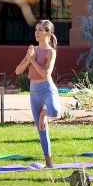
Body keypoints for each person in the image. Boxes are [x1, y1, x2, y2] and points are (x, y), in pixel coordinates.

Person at [15, 20, 60, 168]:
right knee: (41, 130)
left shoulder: (50, 52)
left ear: (48, 33)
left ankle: (44, 112)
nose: (37, 32)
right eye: (36, 29)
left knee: (54, 111)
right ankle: (49, 164)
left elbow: (46, 74)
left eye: (40, 30)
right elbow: (18, 71)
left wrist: (33, 61)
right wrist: (28, 59)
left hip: (47, 88)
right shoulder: (32, 50)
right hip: (34, 91)